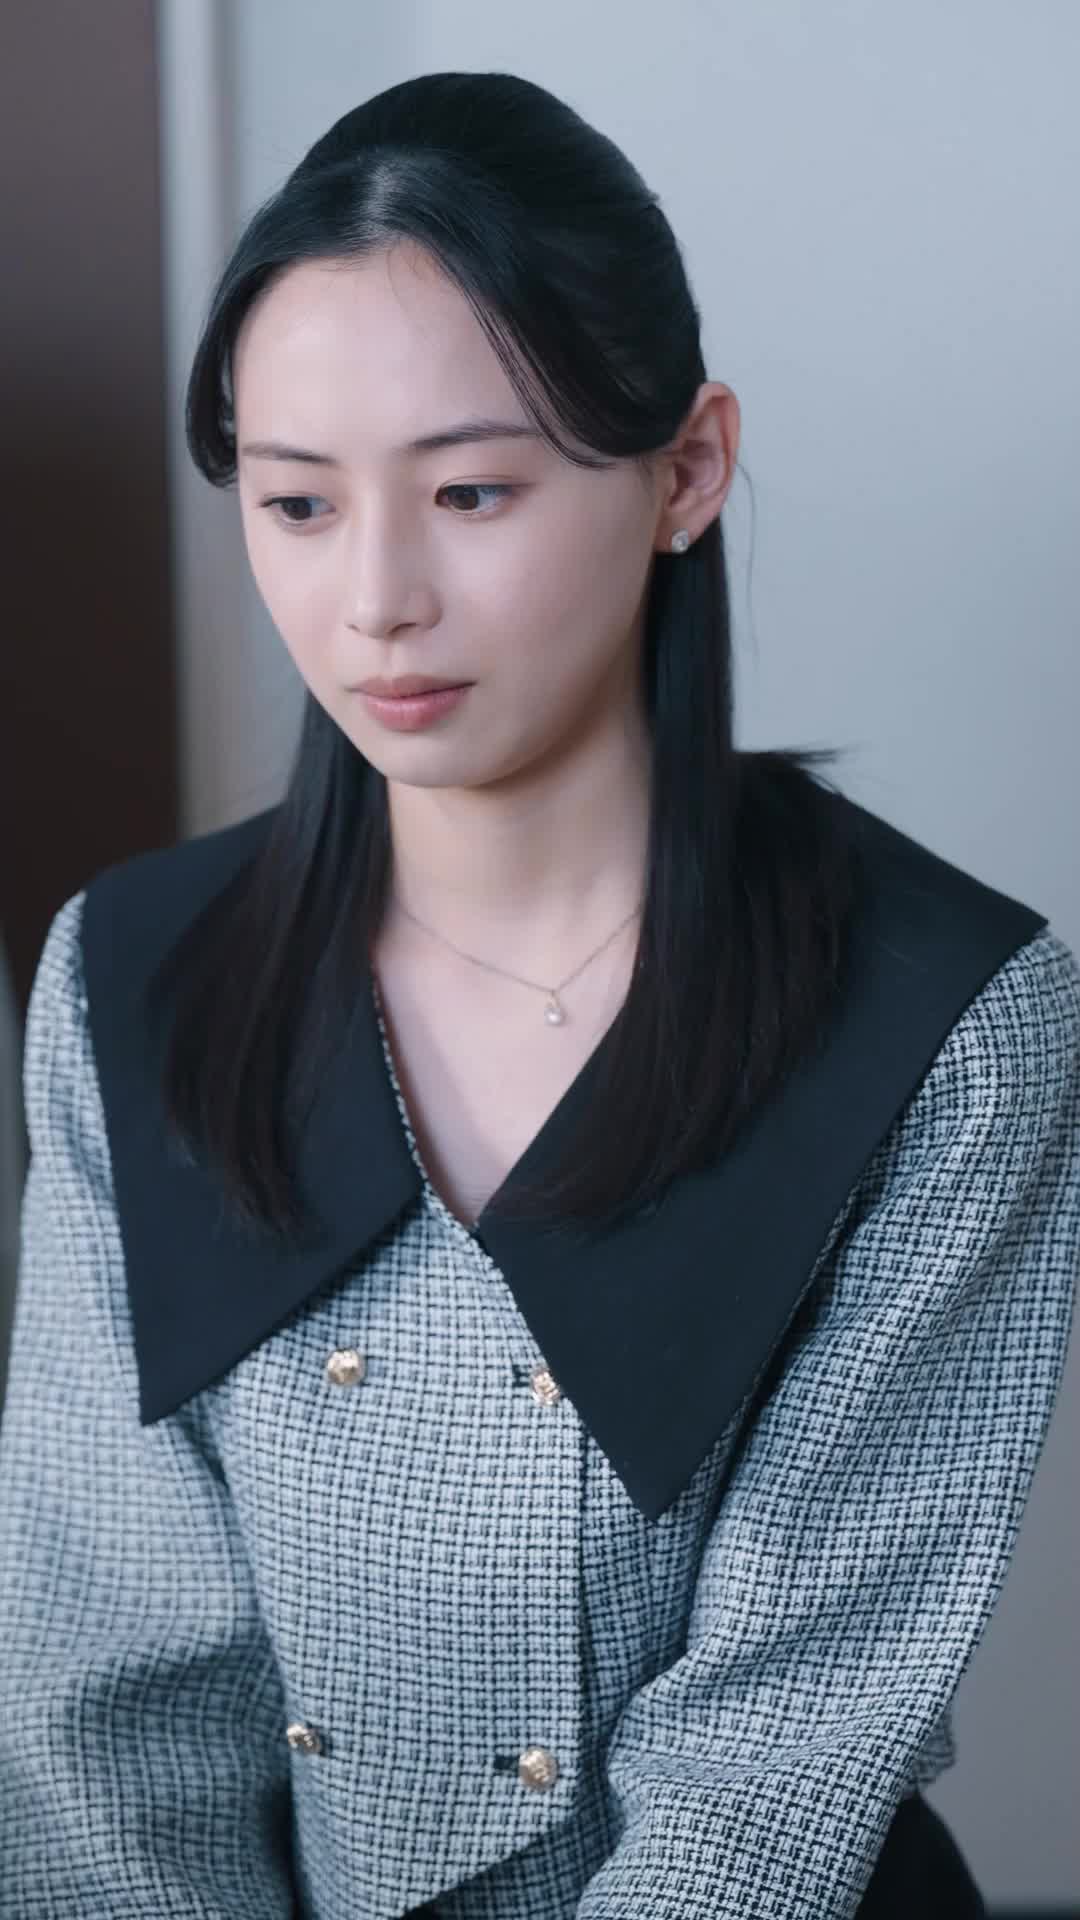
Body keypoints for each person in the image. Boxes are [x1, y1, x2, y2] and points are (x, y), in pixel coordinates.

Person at [1, 69, 1077, 1920]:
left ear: (688, 472)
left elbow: (780, 1764)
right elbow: (102, 1718)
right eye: (297, 502)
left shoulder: (946, 1020)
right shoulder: (133, 976)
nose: (376, 600)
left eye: (472, 490)